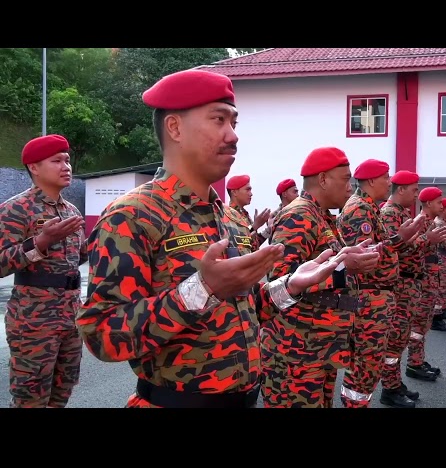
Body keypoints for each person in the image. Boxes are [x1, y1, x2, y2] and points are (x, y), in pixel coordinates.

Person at [75, 69, 347, 408]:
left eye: (234, 124)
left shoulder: (229, 218)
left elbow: (243, 309)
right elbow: (102, 335)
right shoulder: (132, 215)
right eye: (219, 120)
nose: (232, 136)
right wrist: (201, 290)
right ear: (174, 128)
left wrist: (290, 285)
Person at [261, 147, 380, 408]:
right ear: (324, 179)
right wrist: (343, 267)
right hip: (295, 352)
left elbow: (320, 268)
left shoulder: (321, 217)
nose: (350, 188)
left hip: (317, 347)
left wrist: (346, 260)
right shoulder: (299, 216)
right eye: (345, 179)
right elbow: (280, 283)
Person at [0, 134, 86, 408]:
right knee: (31, 399)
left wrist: (95, 245)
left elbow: (76, 258)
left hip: (71, 315)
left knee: (62, 393)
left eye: (68, 160)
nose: (66, 166)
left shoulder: (69, 210)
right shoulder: (15, 209)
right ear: (34, 168)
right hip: (34, 321)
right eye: (57, 160)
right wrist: (40, 243)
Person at [337, 159, 425, 408]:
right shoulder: (360, 210)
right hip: (367, 298)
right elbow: (365, 257)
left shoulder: (369, 207)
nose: (390, 182)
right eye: (386, 178)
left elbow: (377, 248)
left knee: (371, 363)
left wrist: (399, 239)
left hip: (377, 297)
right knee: (365, 364)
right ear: (372, 181)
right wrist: (401, 239)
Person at [378, 171, 446, 408]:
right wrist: (427, 239)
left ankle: (395, 384)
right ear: (401, 190)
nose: (416, 194)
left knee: (399, 340)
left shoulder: (400, 213)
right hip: (400, 285)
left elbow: (408, 245)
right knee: (395, 339)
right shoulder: (389, 213)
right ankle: (389, 389)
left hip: (410, 285)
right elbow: (393, 247)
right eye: (414, 190)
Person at [406, 186, 446, 380]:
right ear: (428, 203)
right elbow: (410, 250)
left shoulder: (430, 223)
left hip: (430, 281)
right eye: (439, 202)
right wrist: (428, 238)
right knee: (418, 326)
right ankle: (413, 364)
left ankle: (418, 360)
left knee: (423, 325)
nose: (441, 206)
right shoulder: (420, 223)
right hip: (422, 283)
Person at [226, 174, 271, 251]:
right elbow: (237, 241)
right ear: (234, 192)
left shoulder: (244, 214)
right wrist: (255, 226)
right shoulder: (228, 214)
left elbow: (251, 245)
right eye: (247, 189)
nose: (251, 194)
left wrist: (268, 230)